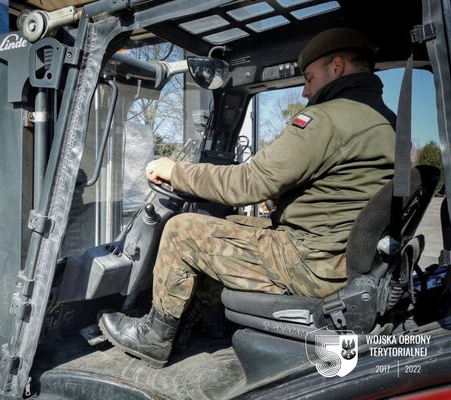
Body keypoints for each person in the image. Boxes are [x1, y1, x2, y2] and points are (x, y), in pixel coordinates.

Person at [99, 27, 397, 368]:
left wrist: (174, 170)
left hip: (307, 263)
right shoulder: (382, 120)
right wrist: (287, 199)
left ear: (337, 66)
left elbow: (248, 182)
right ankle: (209, 321)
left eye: (309, 78)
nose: (304, 90)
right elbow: (337, 189)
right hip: (336, 259)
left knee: (183, 231)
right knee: (228, 223)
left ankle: (154, 336)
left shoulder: (329, 117)